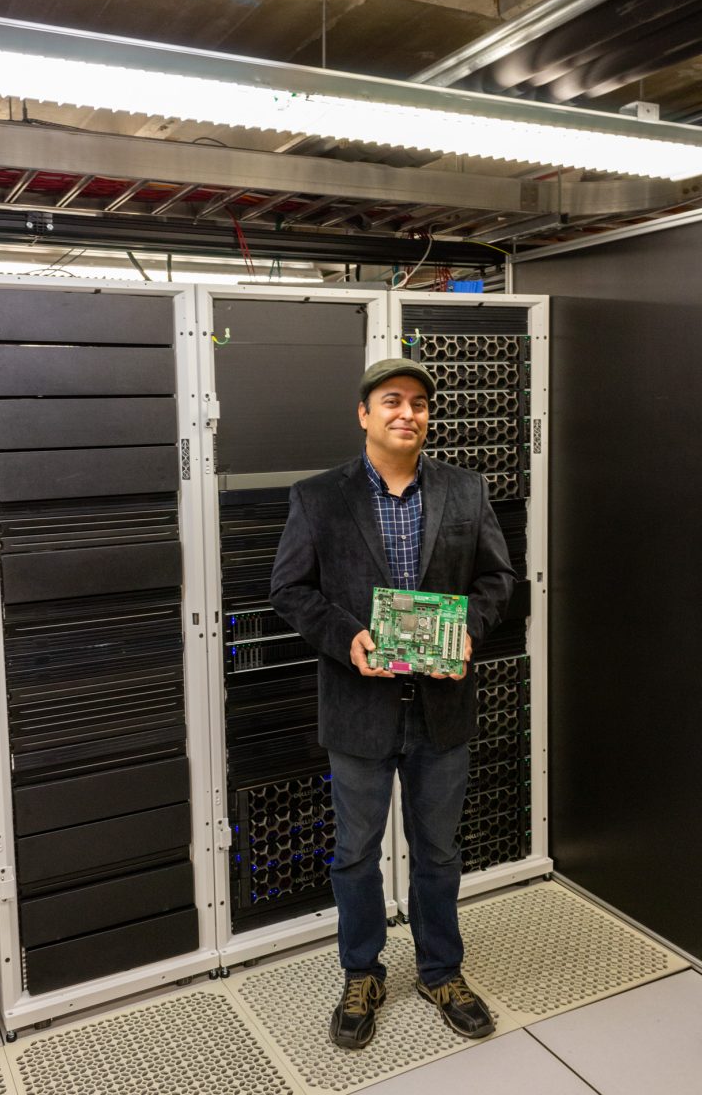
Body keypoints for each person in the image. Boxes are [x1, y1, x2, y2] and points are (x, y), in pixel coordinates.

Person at [270, 357, 514, 1050]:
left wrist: (467, 628)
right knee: (355, 853)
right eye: (392, 401)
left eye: (418, 403)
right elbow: (289, 590)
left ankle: (442, 971)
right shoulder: (319, 497)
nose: (408, 413)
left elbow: (499, 577)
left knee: (438, 852)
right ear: (364, 414)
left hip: (442, 706)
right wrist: (345, 636)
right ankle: (362, 972)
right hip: (359, 707)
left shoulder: (466, 491)